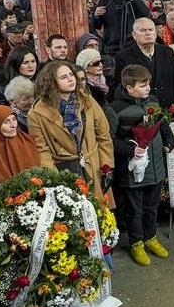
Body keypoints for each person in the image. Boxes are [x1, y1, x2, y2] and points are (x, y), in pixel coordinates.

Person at [110, 65, 174, 266]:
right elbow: (110, 140)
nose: (148, 88)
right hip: (133, 172)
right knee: (134, 210)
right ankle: (136, 243)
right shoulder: (116, 109)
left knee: (151, 207)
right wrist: (130, 151)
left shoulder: (153, 101)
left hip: (155, 167)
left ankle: (151, 238)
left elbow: (162, 123)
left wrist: (168, 138)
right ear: (129, 88)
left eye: (148, 84)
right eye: (142, 85)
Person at [27, 60, 115, 202]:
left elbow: (104, 136)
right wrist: (55, 180)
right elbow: (41, 150)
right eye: (63, 77)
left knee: (100, 216)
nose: (70, 79)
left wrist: (107, 166)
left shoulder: (87, 100)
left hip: (94, 167)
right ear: (51, 82)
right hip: (63, 170)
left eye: (71, 75)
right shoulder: (37, 113)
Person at [115, 18, 174, 107]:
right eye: (142, 30)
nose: (148, 33)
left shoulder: (168, 52)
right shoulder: (123, 56)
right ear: (134, 35)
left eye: (150, 30)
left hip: (170, 109)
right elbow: (123, 87)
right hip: (141, 112)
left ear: (155, 34)